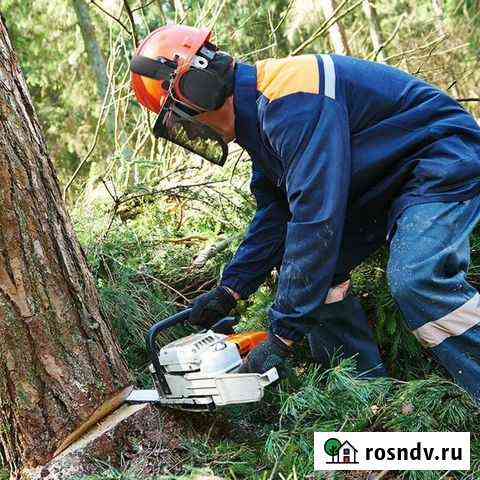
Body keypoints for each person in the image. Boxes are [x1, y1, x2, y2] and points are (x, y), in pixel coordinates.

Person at [130, 25, 480, 401]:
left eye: (184, 116)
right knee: (321, 276)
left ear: (198, 87)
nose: (193, 128)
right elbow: (275, 215)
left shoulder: (292, 100)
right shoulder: (261, 117)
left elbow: (316, 218)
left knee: (416, 279)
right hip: (383, 180)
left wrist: (282, 336)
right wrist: (231, 289)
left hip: (437, 158)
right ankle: (367, 399)